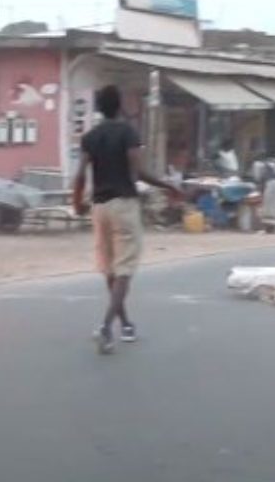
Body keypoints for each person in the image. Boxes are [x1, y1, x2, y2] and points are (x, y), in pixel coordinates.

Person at [73, 85, 180, 355]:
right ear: (119, 105)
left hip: (100, 207)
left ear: (98, 108)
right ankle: (107, 327)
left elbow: (80, 175)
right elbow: (138, 172)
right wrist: (168, 186)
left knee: (110, 269)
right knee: (123, 271)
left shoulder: (90, 137)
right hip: (124, 205)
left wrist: (77, 202)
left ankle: (126, 324)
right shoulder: (128, 133)